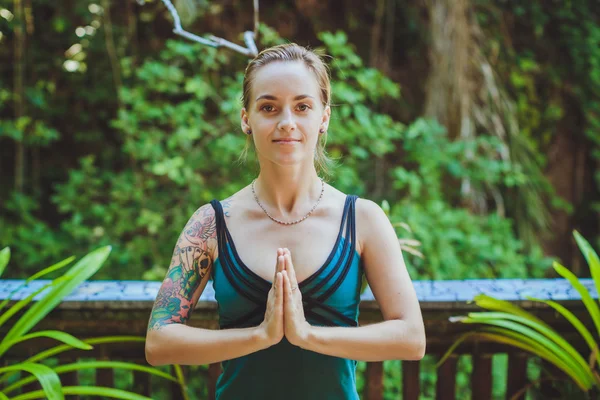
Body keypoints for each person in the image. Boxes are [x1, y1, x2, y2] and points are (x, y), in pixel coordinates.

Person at [145, 43, 425, 399]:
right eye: (269, 107)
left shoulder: (362, 219)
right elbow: (158, 341)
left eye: (303, 106)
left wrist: (306, 334)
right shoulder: (211, 224)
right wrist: (260, 336)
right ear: (246, 118)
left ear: (324, 117)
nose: (287, 122)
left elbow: (412, 338)